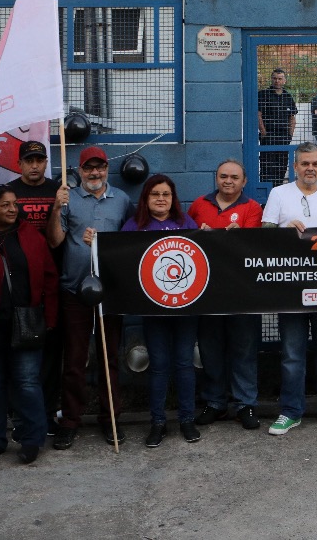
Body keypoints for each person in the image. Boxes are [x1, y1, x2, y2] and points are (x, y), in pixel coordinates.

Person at [46, 146, 133, 450]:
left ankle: (110, 418)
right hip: (75, 290)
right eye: (88, 169)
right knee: (74, 360)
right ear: (80, 171)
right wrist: (57, 208)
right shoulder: (69, 199)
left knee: (109, 358)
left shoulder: (121, 200)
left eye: (100, 168)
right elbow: (55, 240)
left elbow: (130, 242)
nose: (95, 173)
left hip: (109, 293)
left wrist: (106, 242)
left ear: (108, 168)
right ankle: (70, 421)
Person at [262, 142, 317, 436]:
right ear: (294, 166)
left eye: (316, 164)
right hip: (290, 286)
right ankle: (290, 411)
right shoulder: (278, 194)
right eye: (305, 163)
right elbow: (264, 234)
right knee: (292, 354)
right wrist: (283, 232)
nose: (310, 168)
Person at [0, 185, 59, 466]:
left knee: (28, 383)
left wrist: (51, 318)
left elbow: (49, 277)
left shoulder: (31, 236)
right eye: (5, 205)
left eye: (14, 204)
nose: (12, 209)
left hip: (28, 322)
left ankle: (32, 439)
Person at [123, 174, 203, 448]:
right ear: (146, 198)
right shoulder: (134, 227)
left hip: (185, 308)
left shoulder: (185, 224)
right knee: (158, 366)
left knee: (184, 363)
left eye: (166, 194)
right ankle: (157, 422)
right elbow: (121, 260)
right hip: (153, 310)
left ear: (173, 198)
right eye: (155, 193)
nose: (160, 198)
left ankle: (186, 419)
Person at [190, 160, 265, 431]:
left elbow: (254, 246)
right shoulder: (199, 205)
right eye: (223, 176)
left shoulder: (252, 208)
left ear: (244, 182)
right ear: (216, 178)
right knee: (210, 349)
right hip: (206, 291)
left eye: (234, 177)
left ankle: (245, 404)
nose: (228, 181)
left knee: (243, 349)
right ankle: (215, 403)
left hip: (240, 290)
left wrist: (239, 237)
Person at [6, 139, 64, 435]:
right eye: (29, 160)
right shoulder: (9, 193)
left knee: (52, 354)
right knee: (21, 354)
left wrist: (60, 205)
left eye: (39, 160)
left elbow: (61, 239)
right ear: (19, 164)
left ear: (45, 162)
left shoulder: (59, 191)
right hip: (20, 287)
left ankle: (49, 413)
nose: (34, 165)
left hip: (53, 284)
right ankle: (21, 416)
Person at [257, 67, 297, 184]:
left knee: (281, 167)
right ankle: (265, 199)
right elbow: (258, 115)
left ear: (284, 81)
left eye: (280, 79)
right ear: (271, 79)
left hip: (283, 138)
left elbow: (292, 118)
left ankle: (278, 191)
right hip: (269, 137)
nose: (277, 81)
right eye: (275, 78)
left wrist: (289, 135)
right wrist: (264, 133)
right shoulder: (263, 95)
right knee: (267, 168)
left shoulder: (288, 97)